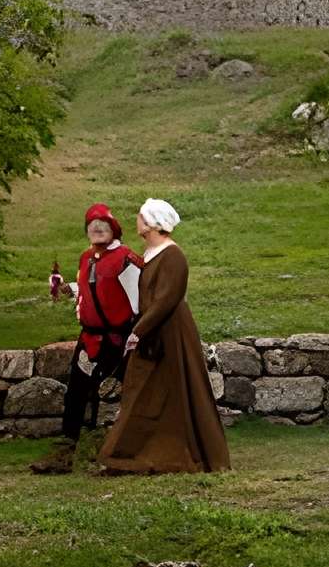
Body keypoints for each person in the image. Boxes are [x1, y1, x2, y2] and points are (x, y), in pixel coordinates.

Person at [95, 199, 230, 476]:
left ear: (153, 223)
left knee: (176, 390)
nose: (137, 221)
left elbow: (167, 298)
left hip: (171, 332)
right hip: (153, 329)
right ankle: (133, 452)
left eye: (141, 217)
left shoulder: (173, 256)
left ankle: (180, 453)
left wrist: (139, 331)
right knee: (144, 390)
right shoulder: (149, 253)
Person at [31, 202, 141, 475]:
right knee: (77, 393)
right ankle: (65, 453)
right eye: (92, 228)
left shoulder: (126, 259)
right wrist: (64, 287)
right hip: (89, 339)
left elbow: (138, 303)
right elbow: (88, 288)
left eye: (102, 227)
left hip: (119, 339)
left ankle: (121, 453)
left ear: (114, 230)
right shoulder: (87, 258)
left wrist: (136, 334)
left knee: (121, 393)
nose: (97, 231)